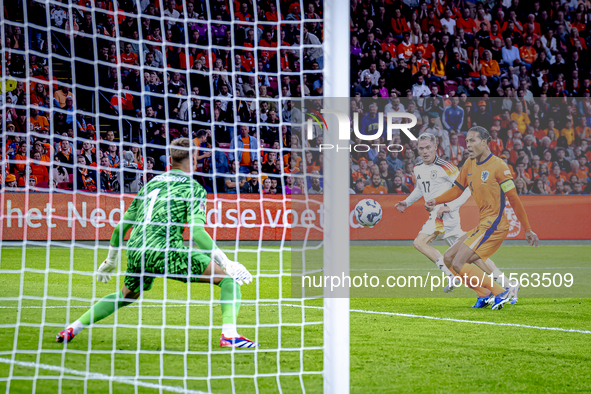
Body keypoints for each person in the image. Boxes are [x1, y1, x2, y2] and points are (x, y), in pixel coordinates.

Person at [56, 139, 257, 348]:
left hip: (136, 250)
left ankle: (74, 327)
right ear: (194, 160)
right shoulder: (194, 188)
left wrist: (110, 261)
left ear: (170, 159)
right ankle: (229, 335)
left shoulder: (151, 184)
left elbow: (119, 229)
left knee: (126, 295)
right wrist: (226, 262)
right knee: (228, 280)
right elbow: (197, 233)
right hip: (165, 249)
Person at [396, 133, 518, 307]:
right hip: (438, 215)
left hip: (446, 217)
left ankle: (450, 275)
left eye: (428, 147)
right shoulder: (417, 168)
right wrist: (406, 202)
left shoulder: (446, 166)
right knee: (471, 257)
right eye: (421, 148)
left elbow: (466, 189)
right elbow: (420, 188)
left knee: (420, 243)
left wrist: (449, 207)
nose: (425, 151)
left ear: (435, 146)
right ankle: (501, 287)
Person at [426, 127, 539, 310]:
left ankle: (500, 291)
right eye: (467, 142)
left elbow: (514, 199)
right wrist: (435, 200)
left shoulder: (499, 167)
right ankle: (483, 293)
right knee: (448, 258)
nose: (467, 145)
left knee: (458, 262)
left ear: (484, 142)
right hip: (483, 224)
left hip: (495, 225)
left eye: (472, 141)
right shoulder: (469, 164)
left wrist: (527, 229)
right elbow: (456, 190)